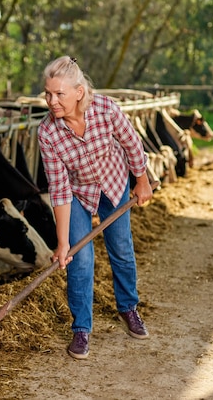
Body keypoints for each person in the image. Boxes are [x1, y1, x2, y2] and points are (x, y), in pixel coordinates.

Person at [37, 56, 154, 360]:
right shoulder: (47, 132)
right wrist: (63, 244)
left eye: (59, 94)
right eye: (47, 93)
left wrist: (141, 182)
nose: (52, 101)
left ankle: (128, 308)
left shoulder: (105, 108)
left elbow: (131, 144)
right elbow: (59, 189)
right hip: (78, 191)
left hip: (114, 183)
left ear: (79, 91)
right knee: (79, 258)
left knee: (122, 249)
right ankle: (81, 329)